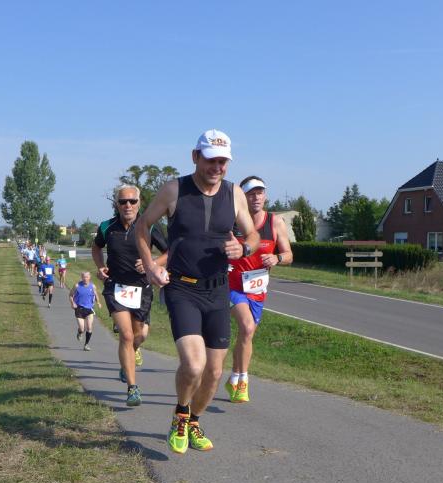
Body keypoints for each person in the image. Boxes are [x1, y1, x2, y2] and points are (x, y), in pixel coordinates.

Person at [136, 129, 258, 454]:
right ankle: (180, 414)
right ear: (195, 157)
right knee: (193, 365)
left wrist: (244, 248)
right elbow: (143, 226)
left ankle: (194, 422)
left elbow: (253, 236)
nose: (217, 167)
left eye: (223, 161)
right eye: (210, 160)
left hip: (217, 291)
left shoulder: (234, 194)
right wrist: (150, 266)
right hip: (182, 288)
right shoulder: (174, 190)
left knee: (214, 372)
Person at [92, 184, 168, 407]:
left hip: (141, 288)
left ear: (139, 203)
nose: (128, 205)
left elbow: (169, 251)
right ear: (116, 204)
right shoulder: (107, 227)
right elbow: (96, 248)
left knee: (139, 335)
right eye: (123, 201)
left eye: (132, 201)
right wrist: (100, 267)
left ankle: (129, 359)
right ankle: (132, 388)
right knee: (125, 335)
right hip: (115, 287)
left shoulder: (149, 226)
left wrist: (152, 263)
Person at [226, 176, 293, 403]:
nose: (256, 197)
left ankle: (234, 377)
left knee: (247, 334)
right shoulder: (233, 222)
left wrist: (277, 258)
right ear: (243, 197)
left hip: (257, 290)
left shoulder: (275, 222)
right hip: (233, 286)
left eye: (260, 193)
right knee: (246, 327)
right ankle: (243, 381)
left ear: (265, 196)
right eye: (251, 193)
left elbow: (289, 254)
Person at [69, 271, 103, 351]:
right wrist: (73, 303)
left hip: (89, 309)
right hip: (79, 309)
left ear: (89, 277)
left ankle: (86, 344)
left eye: (87, 277)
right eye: (84, 277)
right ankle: (80, 332)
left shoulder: (93, 286)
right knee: (82, 328)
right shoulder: (77, 285)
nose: (85, 278)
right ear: (81, 277)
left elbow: (96, 295)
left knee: (89, 327)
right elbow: (70, 295)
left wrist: (98, 302)